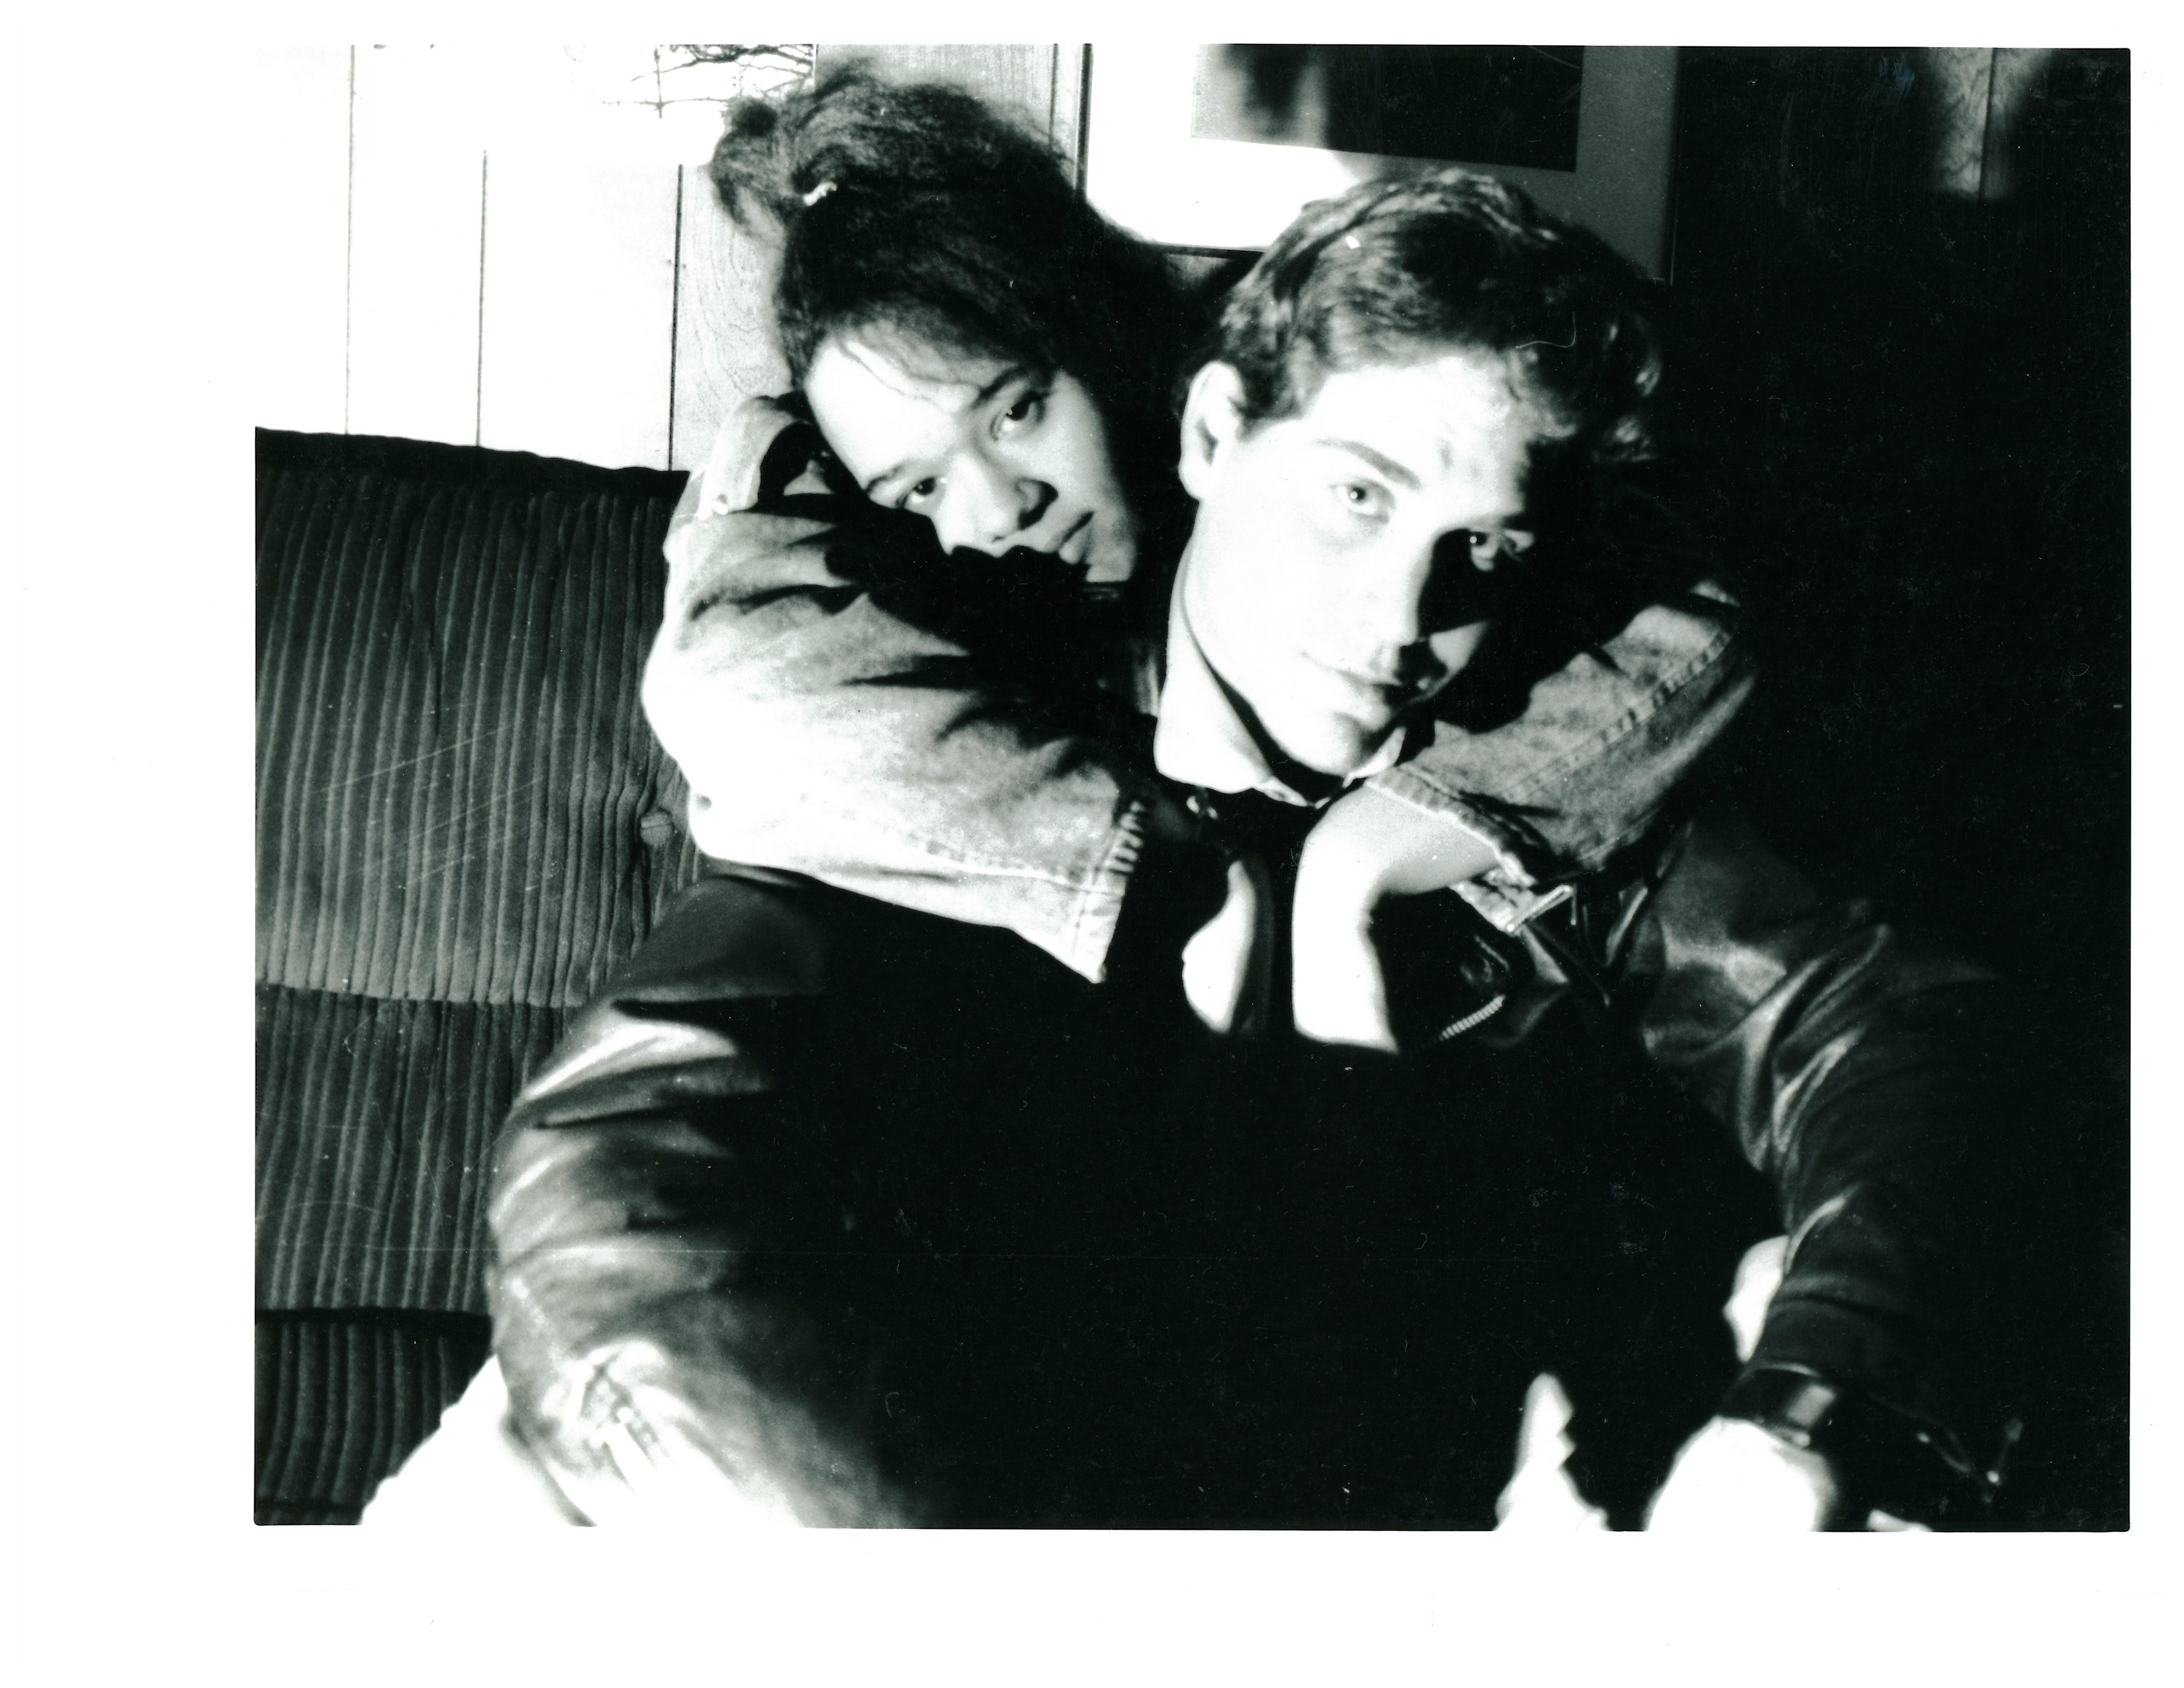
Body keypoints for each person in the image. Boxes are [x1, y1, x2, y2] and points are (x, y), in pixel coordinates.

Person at [439, 163, 2017, 1531]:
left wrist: (1809, 1412)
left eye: (1480, 547)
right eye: (1356, 497)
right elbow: (639, 1151)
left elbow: (1887, 1038)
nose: (1402, 618)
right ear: (1209, 433)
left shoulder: (1555, 770)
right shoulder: (962, 767)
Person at [641, 71, 1754, 1049]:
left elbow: (1694, 604)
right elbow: (729, 687)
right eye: (919, 488)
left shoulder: (1269, 405)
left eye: (1018, 411)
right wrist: (1165, 871)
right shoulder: (833, 532)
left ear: (1100, 344)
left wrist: (1388, 841)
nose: (1000, 509)